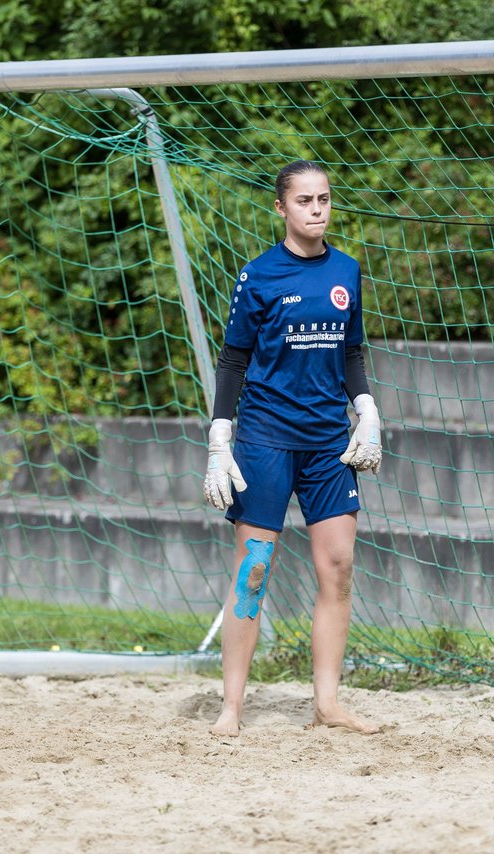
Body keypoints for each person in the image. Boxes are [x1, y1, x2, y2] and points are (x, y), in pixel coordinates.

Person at [202, 160, 384, 737]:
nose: (317, 209)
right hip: (266, 438)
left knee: (338, 567)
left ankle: (327, 705)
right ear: (281, 208)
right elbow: (234, 360)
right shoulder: (257, 276)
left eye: (324, 199)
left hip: (329, 440)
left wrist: (367, 408)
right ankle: (231, 708)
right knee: (253, 571)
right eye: (304, 201)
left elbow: (351, 352)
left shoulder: (348, 271)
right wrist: (219, 435)